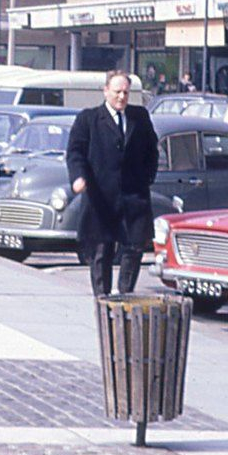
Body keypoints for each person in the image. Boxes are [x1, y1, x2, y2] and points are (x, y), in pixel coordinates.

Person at [65, 71, 159, 297]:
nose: (121, 97)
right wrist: (79, 177)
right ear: (106, 91)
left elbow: (152, 151)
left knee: (134, 249)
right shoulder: (88, 119)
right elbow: (75, 152)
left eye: (126, 92)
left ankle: (125, 295)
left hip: (133, 197)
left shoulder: (140, 116)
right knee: (101, 252)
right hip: (101, 198)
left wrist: (147, 178)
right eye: (117, 92)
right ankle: (102, 298)